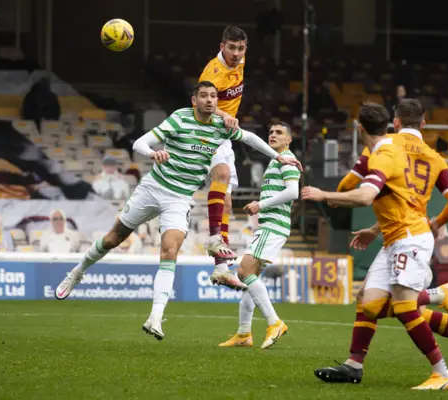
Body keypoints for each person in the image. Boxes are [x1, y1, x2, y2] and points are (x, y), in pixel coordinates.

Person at [54, 81, 302, 342]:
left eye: (213, 96)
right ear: (194, 101)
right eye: (204, 96)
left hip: (180, 198)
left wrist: (279, 157)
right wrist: (153, 153)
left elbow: (249, 138)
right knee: (113, 238)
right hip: (153, 188)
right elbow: (140, 143)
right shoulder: (179, 119)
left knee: (170, 250)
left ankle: (155, 318)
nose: (209, 100)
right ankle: (77, 272)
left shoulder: (221, 127)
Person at [314, 100, 448, 385]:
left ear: (396, 122)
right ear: (424, 124)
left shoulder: (383, 145)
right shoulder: (434, 157)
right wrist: (435, 223)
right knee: (369, 301)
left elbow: (346, 189)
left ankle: (442, 372)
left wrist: (331, 193)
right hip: (401, 233)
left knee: (404, 307)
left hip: (407, 237)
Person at [218, 122, 300, 349]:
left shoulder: (287, 160)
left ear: (289, 140)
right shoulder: (277, 160)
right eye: (271, 131)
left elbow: (294, 191)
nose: (273, 135)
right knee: (250, 276)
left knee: (244, 271)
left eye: (279, 132)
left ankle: (275, 323)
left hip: (273, 225)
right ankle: (244, 334)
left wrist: (260, 204)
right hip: (272, 225)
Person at [198, 26, 247, 284]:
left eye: (241, 48)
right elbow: (198, 104)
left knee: (227, 204)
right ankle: (215, 239)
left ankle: (221, 268)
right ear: (221, 46)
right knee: (223, 174)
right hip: (208, 133)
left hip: (225, 138)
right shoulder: (212, 73)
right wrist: (224, 114)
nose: (236, 54)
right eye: (231, 48)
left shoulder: (240, 60)